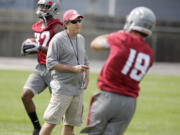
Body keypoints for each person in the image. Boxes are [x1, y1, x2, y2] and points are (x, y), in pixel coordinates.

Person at [80, 7, 156, 135]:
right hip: (129, 103)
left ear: (132, 22)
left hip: (108, 97)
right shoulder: (149, 52)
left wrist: (114, 34)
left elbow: (95, 44)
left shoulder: (122, 38)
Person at [39, 9, 89, 135]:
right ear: (66, 24)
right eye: (74, 21)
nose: (78, 23)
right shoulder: (57, 39)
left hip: (77, 89)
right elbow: (51, 63)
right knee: (51, 122)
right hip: (62, 88)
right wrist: (73, 69)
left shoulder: (81, 39)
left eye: (79, 20)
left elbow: (85, 61)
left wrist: (86, 78)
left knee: (70, 125)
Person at [21, 0, 63, 135]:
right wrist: (29, 49)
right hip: (40, 68)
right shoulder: (37, 26)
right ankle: (37, 127)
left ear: (53, 8)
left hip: (55, 70)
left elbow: (61, 50)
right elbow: (39, 48)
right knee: (25, 96)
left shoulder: (58, 27)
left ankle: (67, 132)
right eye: (41, 6)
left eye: (45, 6)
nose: (42, 9)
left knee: (60, 108)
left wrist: (38, 47)